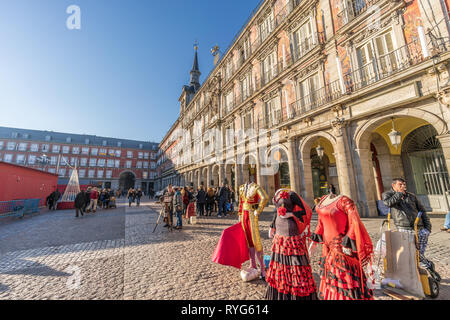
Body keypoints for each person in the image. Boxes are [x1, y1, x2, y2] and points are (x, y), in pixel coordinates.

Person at [310, 185, 374, 300]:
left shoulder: (344, 201)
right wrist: (314, 241)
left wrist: (348, 242)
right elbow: (321, 221)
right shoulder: (323, 199)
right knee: (331, 278)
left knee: (343, 278)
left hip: (340, 246)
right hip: (327, 247)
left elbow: (354, 221)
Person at [265, 189, 317, 300]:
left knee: (294, 262)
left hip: (290, 229)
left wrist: (290, 214)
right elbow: (277, 211)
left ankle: (295, 293)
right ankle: (281, 292)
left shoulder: (292, 194)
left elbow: (305, 211)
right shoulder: (277, 193)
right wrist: (272, 226)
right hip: (279, 229)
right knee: (280, 262)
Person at [382, 178, 433, 270]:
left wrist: (428, 227)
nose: (403, 186)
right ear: (393, 185)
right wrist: (399, 194)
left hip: (420, 227)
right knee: (411, 253)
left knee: (419, 253)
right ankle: (429, 267)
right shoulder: (388, 195)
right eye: (400, 185)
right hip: (403, 227)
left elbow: (422, 211)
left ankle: (421, 270)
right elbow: (388, 203)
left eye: (404, 185)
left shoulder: (411, 196)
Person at [238, 181, 269, 281]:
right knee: (248, 241)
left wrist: (258, 210)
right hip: (244, 215)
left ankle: (263, 269)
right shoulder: (241, 187)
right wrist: (239, 214)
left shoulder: (256, 187)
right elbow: (241, 202)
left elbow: (265, 198)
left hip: (252, 214)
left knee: (256, 241)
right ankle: (253, 264)